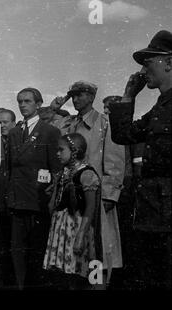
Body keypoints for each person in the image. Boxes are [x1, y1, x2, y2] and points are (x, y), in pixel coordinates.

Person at [108, 30, 172, 289]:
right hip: (154, 210)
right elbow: (124, 135)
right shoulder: (160, 107)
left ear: (169, 62)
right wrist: (128, 96)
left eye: (149, 62)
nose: (143, 69)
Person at [50, 81, 125, 287]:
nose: (75, 99)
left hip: (96, 198)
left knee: (97, 251)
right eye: (72, 96)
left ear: (92, 97)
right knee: (74, 252)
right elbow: (47, 123)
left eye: (80, 95)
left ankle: (98, 286)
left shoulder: (105, 124)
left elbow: (115, 163)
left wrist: (110, 196)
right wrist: (55, 107)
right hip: (71, 201)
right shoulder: (68, 124)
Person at [8, 88, 61, 289]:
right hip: (17, 200)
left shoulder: (50, 132)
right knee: (18, 250)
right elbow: (10, 168)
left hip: (38, 200)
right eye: (20, 101)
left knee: (37, 250)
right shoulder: (14, 133)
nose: (22, 105)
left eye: (27, 101)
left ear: (38, 104)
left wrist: (50, 198)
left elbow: (55, 170)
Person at [43, 133, 102, 289]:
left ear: (74, 151)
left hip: (76, 227)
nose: (57, 153)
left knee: (77, 271)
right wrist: (56, 186)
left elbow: (90, 207)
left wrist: (81, 235)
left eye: (61, 150)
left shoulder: (86, 174)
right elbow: (52, 205)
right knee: (64, 272)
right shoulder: (64, 172)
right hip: (62, 226)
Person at [103, 96, 144, 288]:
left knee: (124, 235)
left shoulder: (128, 131)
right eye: (105, 108)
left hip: (127, 187)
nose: (107, 112)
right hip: (114, 187)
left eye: (110, 109)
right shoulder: (105, 128)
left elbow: (136, 163)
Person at [0, 108, 16, 289]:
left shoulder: (19, 140)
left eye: (5, 122)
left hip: (17, 198)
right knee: (0, 240)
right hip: (0, 197)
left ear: (13, 123)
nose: (1, 126)